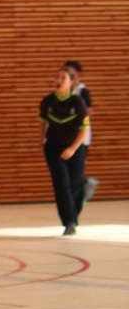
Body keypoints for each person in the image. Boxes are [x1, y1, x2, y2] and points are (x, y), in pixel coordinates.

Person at [40, 67, 89, 236]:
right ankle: (69, 222)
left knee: (75, 184)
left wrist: (72, 149)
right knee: (61, 184)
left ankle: (83, 188)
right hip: (53, 148)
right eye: (57, 77)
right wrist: (42, 139)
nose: (58, 80)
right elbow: (44, 122)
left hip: (75, 147)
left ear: (71, 82)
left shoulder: (77, 102)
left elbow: (84, 129)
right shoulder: (47, 101)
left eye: (63, 78)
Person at [64, 60, 99, 207]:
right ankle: (84, 184)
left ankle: (75, 202)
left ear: (77, 75)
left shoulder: (83, 91)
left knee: (75, 172)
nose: (67, 75)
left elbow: (89, 112)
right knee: (67, 171)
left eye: (70, 73)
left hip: (81, 138)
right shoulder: (63, 91)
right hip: (65, 137)